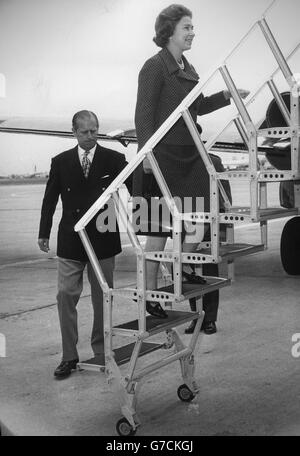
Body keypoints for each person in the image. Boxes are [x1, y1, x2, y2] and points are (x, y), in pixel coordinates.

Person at [133, 4, 249, 330]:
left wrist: (225, 96)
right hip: (162, 156)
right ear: (169, 31)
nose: (192, 32)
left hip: (189, 156)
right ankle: (151, 296)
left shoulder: (188, 67)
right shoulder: (154, 68)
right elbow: (143, 116)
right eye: (187, 27)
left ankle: (183, 265)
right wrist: (146, 156)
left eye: (192, 27)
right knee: (156, 232)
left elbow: (197, 107)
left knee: (203, 213)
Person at [38, 110, 130, 379]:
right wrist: (44, 232)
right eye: (85, 132)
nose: (91, 136)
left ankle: (102, 352)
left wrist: (155, 219)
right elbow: (49, 200)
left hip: (103, 239)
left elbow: (137, 188)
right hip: (71, 238)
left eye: (95, 130)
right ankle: (69, 356)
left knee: (103, 298)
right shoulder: (61, 162)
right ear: (74, 132)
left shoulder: (114, 159)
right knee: (65, 295)